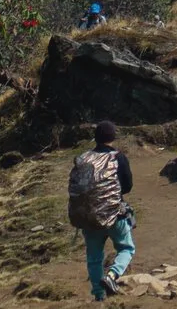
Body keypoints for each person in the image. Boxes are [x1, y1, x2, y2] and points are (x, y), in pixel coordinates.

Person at [67, 120, 136, 299]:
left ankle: (99, 295)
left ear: (95, 138)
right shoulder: (118, 157)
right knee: (126, 248)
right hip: (114, 214)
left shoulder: (83, 158)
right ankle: (112, 275)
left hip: (88, 216)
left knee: (94, 257)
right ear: (113, 137)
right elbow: (127, 186)